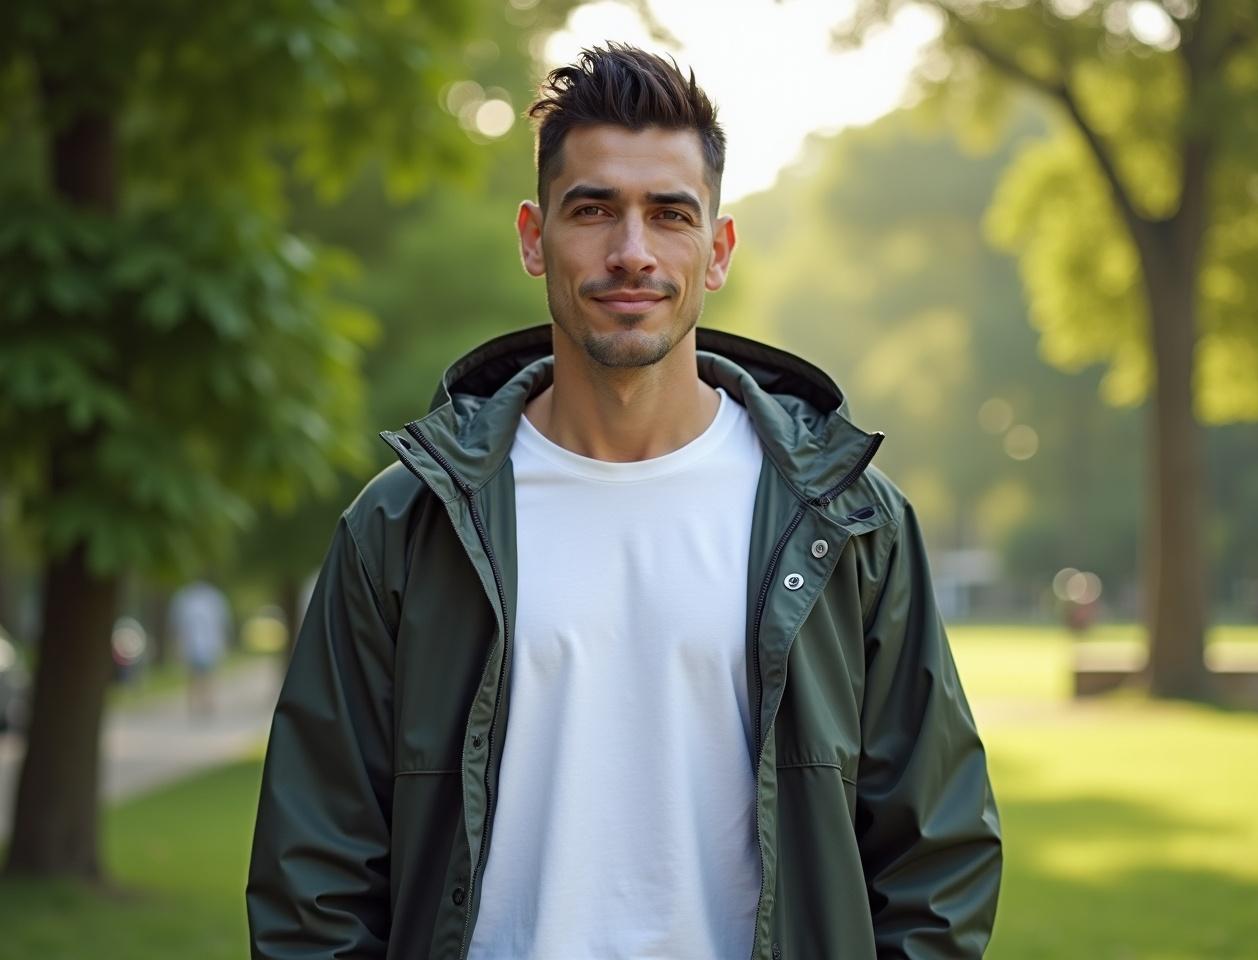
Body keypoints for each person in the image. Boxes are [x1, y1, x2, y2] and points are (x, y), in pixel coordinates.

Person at [247, 43, 1001, 960]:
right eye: (593, 209)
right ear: (534, 237)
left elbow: (938, 858)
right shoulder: (406, 524)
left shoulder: (850, 523)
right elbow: (313, 871)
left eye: (669, 215)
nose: (631, 252)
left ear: (717, 249)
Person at [167, 579, 231, 718]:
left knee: (200, 676)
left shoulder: (185, 598)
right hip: (200, 644)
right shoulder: (213, 598)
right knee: (202, 676)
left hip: (203, 644)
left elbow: (177, 624)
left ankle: (201, 705)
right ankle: (201, 705)